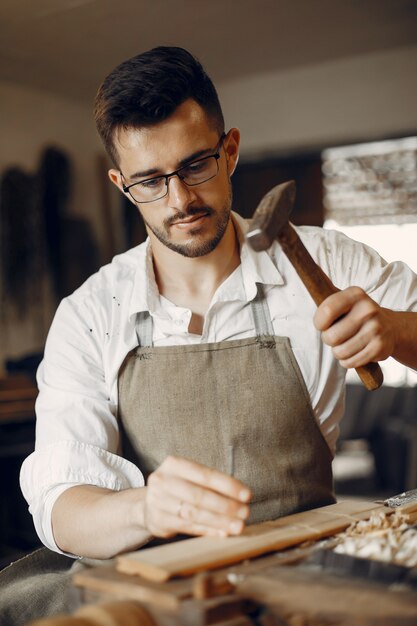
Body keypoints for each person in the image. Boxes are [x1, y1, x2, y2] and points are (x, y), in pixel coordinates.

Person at [2, 45, 417, 624]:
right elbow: (63, 505)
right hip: (159, 589)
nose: (180, 200)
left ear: (231, 150)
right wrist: (145, 509)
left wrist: (399, 331)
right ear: (122, 185)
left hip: (305, 575)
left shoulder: (323, 262)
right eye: (150, 181)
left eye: (195, 165)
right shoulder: (90, 313)